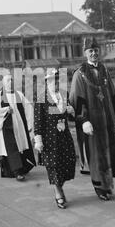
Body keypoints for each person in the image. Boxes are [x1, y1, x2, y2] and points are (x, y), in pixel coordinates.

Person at [69, 38, 115, 201]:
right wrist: (84, 120)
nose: (94, 53)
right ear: (85, 53)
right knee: (96, 154)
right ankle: (100, 187)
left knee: (109, 151)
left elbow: (112, 94)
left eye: (96, 50)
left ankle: (107, 184)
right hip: (92, 122)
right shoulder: (80, 73)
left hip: (107, 120)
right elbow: (77, 99)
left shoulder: (104, 69)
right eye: (91, 51)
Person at [34, 69, 76, 209]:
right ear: (47, 82)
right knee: (54, 166)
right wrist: (38, 140)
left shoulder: (64, 95)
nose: (55, 82)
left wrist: (71, 112)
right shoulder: (42, 98)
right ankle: (58, 191)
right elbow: (38, 121)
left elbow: (69, 116)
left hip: (64, 136)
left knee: (67, 164)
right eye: (52, 80)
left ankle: (59, 185)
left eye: (57, 79)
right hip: (49, 139)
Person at [0, 74, 36, 181]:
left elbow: (28, 108)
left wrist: (29, 125)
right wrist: (5, 110)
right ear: (3, 83)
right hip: (6, 128)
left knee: (19, 148)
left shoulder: (19, 95)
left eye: (11, 80)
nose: (10, 82)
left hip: (19, 128)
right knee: (11, 148)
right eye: (8, 80)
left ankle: (15, 169)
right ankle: (17, 171)